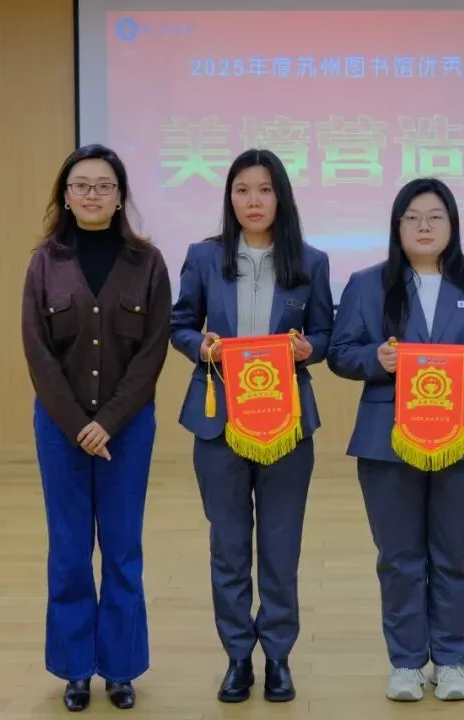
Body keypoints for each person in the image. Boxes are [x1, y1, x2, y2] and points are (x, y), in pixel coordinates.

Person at [326, 177, 464, 702]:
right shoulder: (367, 284)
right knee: (399, 556)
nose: (424, 226)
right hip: (387, 439)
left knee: (455, 553)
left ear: (452, 225)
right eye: (412, 217)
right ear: (397, 226)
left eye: (435, 217)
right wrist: (377, 358)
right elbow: (340, 353)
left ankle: (453, 659)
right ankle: (407, 662)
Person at [169, 148, 333, 704]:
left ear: (280, 197)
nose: (253, 201)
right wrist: (202, 346)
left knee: (281, 546)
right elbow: (180, 324)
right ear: (230, 198)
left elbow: (325, 335)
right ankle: (238, 655)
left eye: (264, 190)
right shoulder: (204, 256)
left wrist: (309, 349)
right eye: (242, 190)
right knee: (229, 545)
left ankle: (279, 656)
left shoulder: (310, 261)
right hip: (220, 419)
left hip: (287, 422)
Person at [21, 144, 171, 712]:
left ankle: (121, 668)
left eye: (104, 185)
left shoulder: (147, 262)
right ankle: (76, 669)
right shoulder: (45, 262)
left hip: (127, 429)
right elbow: (37, 351)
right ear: (65, 194)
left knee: (123, 548)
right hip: (60, 429)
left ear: (120, 195)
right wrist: (77, 424)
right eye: (81, 185)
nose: (92, 194)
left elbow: (153, 351)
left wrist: (106, 422)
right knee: (69, 549)